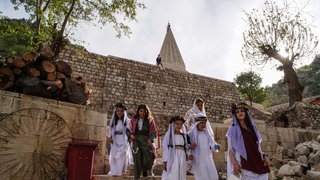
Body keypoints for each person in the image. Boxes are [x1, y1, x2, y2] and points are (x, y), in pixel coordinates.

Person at [226, 102, 270, 180]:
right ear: (235, 115)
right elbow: (230, 149)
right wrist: (234, 163)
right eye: (237, 112)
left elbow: (257, 146)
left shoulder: (252, 128)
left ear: (246, 112)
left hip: (256, 159)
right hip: (243, 161)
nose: (240, 113)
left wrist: (264, 156)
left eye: (242, 111)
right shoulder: (232, 130)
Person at [127, 104, 157, 180]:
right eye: (141, 111)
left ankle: (145, 169)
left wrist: (150, 139)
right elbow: (128, 129)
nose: (142, 113)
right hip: (136, 140)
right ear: (138, 111)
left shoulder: (150, 120)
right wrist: (130, 135)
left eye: (144, 111)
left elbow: (154, 132)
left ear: (147, 112)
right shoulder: (134, 119)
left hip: (146, 140)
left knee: (147, 157)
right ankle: (136, 177)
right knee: (137, 157)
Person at [187, 113, 220, 180]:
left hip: (208, 158)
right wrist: (190, 146)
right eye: (201, 123)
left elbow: (213, 144)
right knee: (202, 178)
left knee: (214, 177)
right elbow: (185, 146)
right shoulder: (190, 134)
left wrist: (216, 146)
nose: (203, 125)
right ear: (197, 123)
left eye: (204, 123)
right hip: (198, 160)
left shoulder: (207, 133)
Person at [162, 115, 188, 180]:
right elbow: (165, 148)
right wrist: (165, 161)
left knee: (181, 173)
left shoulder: (184, 136)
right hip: (172, 157)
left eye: (181, 124)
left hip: (182, 158)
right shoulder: (169, 136)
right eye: (177, 124)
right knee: (173, 173)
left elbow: (186, 147)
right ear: (173, 124)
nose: (179, 126)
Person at [107, 103, 130, 176]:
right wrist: (110, 137)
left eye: (121, 111)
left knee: (122, 155)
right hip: (115, 139)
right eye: (118, 111)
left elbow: (129, 131)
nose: (119, 112)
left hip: (123, 139)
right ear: (115, 112)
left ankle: (121, 171)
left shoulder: (127, 121)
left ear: (123, 112)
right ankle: (114, 171)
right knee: (114, 156)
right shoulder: (114, 121)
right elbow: (111, 130)